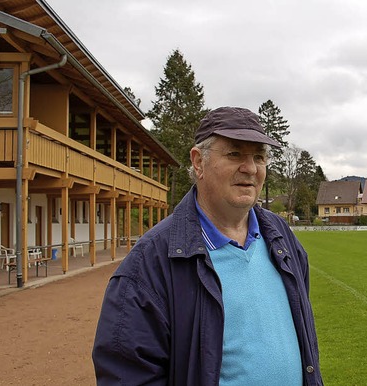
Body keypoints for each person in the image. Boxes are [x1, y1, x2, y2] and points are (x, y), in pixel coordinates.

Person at [92, 107, 323, 385]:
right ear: (198, 162)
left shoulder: (282, 238)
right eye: (234, 154)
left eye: (259, 156)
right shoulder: (150, 262)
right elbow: (126, 375)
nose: (250, 168)